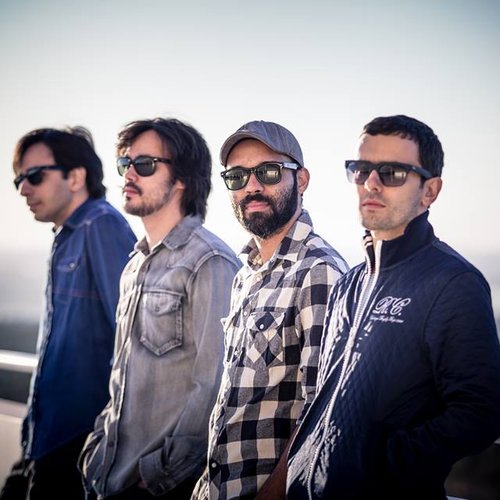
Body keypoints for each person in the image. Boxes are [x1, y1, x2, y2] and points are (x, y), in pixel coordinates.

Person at [286, 114, 500, 499]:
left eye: (392, 173)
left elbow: (481, 413)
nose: (371, 183)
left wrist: (380, 466)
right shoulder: (349, 284)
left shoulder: (453, 283)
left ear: (430, 191)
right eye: (361, 169)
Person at [79, 117, 240, 500]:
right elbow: (121, 375)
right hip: (108, 476)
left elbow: (215, 385)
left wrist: (159, 476)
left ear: (181, 178)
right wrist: (96, 447)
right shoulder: (134, 265)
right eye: (125, 164)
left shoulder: (210, 261)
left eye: (144, 165)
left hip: (158, 485)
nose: (129, 174)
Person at [192, 120, 349, 500]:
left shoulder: (319, 272)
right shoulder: (245, 273)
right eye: (237, 176)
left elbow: (321, 411)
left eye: (268, 172)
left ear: (302, 180)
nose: (252, 186)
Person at [1, 127, 137, 500]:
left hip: (78, 442)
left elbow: (130, 334)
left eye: (34, 176)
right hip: (44, 439)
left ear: (76, 177)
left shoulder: (101, 225)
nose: (23, 189)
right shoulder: (68, 234)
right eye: (18, 180)